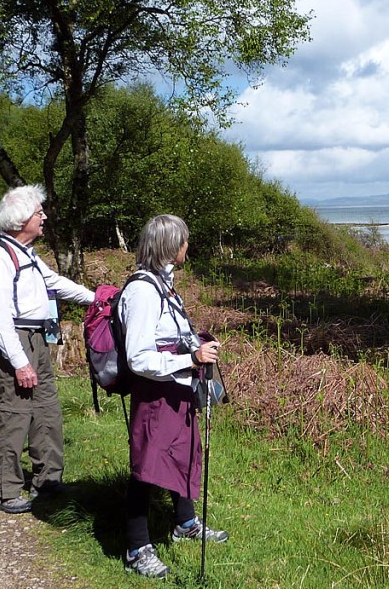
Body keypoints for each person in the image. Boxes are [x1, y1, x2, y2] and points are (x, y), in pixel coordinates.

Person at [119, 214, 228, 579]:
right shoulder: (143, 290)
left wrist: (198, 344)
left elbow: (171, 336)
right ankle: (137, 548)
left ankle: (185, 523)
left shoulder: (164, 285)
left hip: (178, 386)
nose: (187, 247)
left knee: (184, 454)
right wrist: (191, 358)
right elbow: (137, 356)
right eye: (183, 241)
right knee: (147, 466)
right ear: (169, 246)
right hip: (156, 390)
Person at [0, 184, 95, 514]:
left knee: (46, 409)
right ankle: (4, 490)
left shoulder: (25, 252)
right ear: (20, 220)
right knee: (15, 413)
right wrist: (19, 362)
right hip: (14, 340)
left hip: (37, 339)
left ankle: (48, 480)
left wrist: (98, 298)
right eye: (38, 212)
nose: (44, 216)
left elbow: (54, 283)